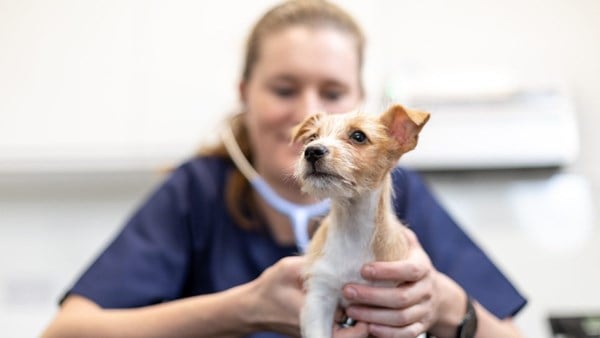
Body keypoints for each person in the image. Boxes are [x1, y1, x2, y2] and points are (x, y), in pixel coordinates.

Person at [42, 1, 526, 337]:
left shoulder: (401, 191)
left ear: (358, 100)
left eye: (332, 93)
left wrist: (442, 304)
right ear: (244, 92)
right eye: (284, 88)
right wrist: (244, 309)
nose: (306, 115)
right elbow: (65, 333)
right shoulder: (195, 191)